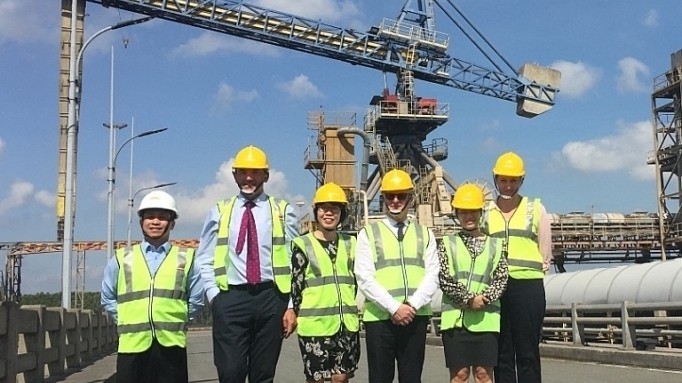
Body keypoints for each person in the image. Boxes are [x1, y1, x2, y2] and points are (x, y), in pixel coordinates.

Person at [195, 145, 299, 383]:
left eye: (255, 172)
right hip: (231, 297)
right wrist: (215, 297)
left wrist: (291, 304)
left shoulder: (283, 212)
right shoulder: (219, 212)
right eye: (243, 172)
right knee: (230, 371)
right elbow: (204, 257)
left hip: (271, 298)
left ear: (266, 176)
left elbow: (296, 261)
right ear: (235, 176)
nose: (248, 178)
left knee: (263, 374)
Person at [101, 190, 204, 383]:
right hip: (132, 345)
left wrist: (176, 319)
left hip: (171, 344)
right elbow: (107, 297)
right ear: (141, 222)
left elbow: (196, 300)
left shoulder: (186, 259)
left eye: (162, 217)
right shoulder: (122, 258)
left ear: (172, 223)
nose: (155, 222)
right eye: (149, 217)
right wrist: (125, 318)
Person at [354, 168, 440, 383]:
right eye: (390, 196)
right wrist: (394, 307)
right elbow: (364, 276)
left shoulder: (425, 233)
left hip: (415, 316)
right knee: (380, 379)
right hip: (380, 319)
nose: (395, 200)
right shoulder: (368, 233)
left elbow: (433, 274)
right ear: (383, 198)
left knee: (411, 379)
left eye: (401, 196)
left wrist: (411, 306)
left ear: (410, 198)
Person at [483, 152, 552, 383]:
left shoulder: (536, 209)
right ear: (495, 179)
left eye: (513, 180)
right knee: (501, 353)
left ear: (521, 181)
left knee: (527, 352)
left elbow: (545, 252)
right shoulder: (486, 213)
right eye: (503, 180)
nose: (508, 185)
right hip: (497, 289)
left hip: (527, 287)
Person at [438, 184, 508, 383]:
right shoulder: (447, 243)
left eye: (473, 211)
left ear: (480, 212)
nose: (469, 216)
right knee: (459, 376)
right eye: (463, 212)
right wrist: (469, 299)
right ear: (457, 214)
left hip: (486, 320)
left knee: (483, 375)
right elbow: (445, 278)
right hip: (456, 321)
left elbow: (501, 278)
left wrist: (483, 299)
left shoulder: (496, 244)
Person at [291, 182, 360, 383]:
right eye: (323, 208)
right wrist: (292, 313)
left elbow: (358, 280)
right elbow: (296, 286)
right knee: (317, 379)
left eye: (334, 209)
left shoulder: (351, 243)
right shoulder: (303, 245)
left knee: (341, 378)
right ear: (316, 212)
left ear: (342, 213)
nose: (328, 213)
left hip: (345, 325)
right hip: (314, 327)